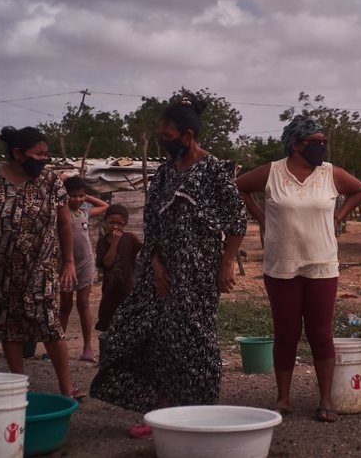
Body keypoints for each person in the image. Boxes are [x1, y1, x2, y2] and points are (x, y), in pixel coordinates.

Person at [90, 93, 247, 439]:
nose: (164, 141)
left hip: (198, 274)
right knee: (141, 336)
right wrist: (157, 264)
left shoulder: (213, 171)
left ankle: (198, 416)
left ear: (188, 136)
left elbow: (237, 221)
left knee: (194, 344)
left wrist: (226, 264)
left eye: (168, 135)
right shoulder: (162, 175)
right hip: (157, 272)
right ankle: (159, 411)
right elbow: (153, 225)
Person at [236, 115, 361, 423]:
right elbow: (238, 188)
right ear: (296, 145)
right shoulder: (272, 172)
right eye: (316, 142)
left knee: (320, 333)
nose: (322, 147)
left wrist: (338, 217)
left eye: (324, 142)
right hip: (281, 263)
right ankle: (283, 398)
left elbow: (358, 190)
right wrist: (262, 217)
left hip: (322, 263)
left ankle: (326, 400)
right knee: (286, 333)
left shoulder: (330, 174)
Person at [0, 126, 84, 398]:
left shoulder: (50, 181)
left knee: (49, 324)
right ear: (17, 153)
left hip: (41, 266)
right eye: (38, 154)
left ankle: (66, 386)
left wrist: (69, 261)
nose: (44, 159)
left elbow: (63, 223)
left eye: (46, 154)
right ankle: (17, 385)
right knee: (9, 325)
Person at [59, 176, 108, 363]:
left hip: (85, 263)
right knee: (65, 306)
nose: (78, 199)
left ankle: (88, 348)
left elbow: (105, 205)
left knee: (83, 305)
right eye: (74, 196)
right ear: (65, 196)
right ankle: (59, 345)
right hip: (65, 264)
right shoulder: (60, 211)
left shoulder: (85, 211)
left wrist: (85, 197)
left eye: (81, 195)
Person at [94, 204, 142, 332]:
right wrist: (114, 242)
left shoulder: (130, 239)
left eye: (120, 224)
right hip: (110, 292)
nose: (115, 226)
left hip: (127, 289)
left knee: (127, 322)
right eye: (111, 223)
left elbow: (144, 253)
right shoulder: (102, 242)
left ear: (125, 224)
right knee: (108, 322)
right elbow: (108, 263)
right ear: (105, 222)